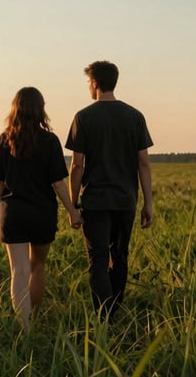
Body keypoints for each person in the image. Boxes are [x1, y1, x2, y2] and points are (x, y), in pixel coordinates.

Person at [65, 60, 153, 320]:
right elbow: (144, 163)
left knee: (98, 261)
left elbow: (77, 166)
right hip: (126, 200)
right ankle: (114, 311)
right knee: (120, 257)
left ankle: (105, 318)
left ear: (94, 83)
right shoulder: (135, 116)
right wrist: (148, 203)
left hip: (95, 201)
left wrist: (73, 204)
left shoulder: (83, 117)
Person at [0, 87, 82, 327]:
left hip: (13, 213)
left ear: (15, 108)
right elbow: (58, 183)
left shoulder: (4, 139)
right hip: (42, 213)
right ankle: (34, 317)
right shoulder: (50, 141)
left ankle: (24, 326)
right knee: (37, 267)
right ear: (41, 109)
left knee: (18, 271)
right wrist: (72, 211)